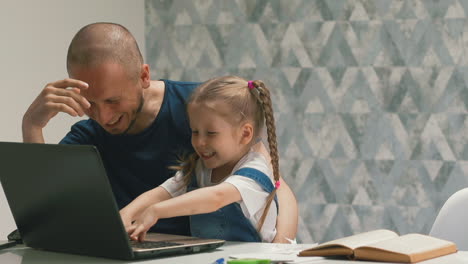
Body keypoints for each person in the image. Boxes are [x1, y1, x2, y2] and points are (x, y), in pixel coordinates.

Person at [22, 22, 297, 242]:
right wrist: (32, 125)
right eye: (90, 104)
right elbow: (45, 212)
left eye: (112, 101)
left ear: (143, 76)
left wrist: (280, 250)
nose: (104, 117)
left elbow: (275, 185)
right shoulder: (89, 134)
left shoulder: (202, 109)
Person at [122, 76, 283, 242]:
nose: (199, 142)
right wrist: (126, 214)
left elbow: (216, 198)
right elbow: (162, 192)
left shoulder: (254, 172)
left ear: (245, 134)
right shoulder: (199, 169)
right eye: (195, 132)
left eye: (211, 133)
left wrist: (155, 211)